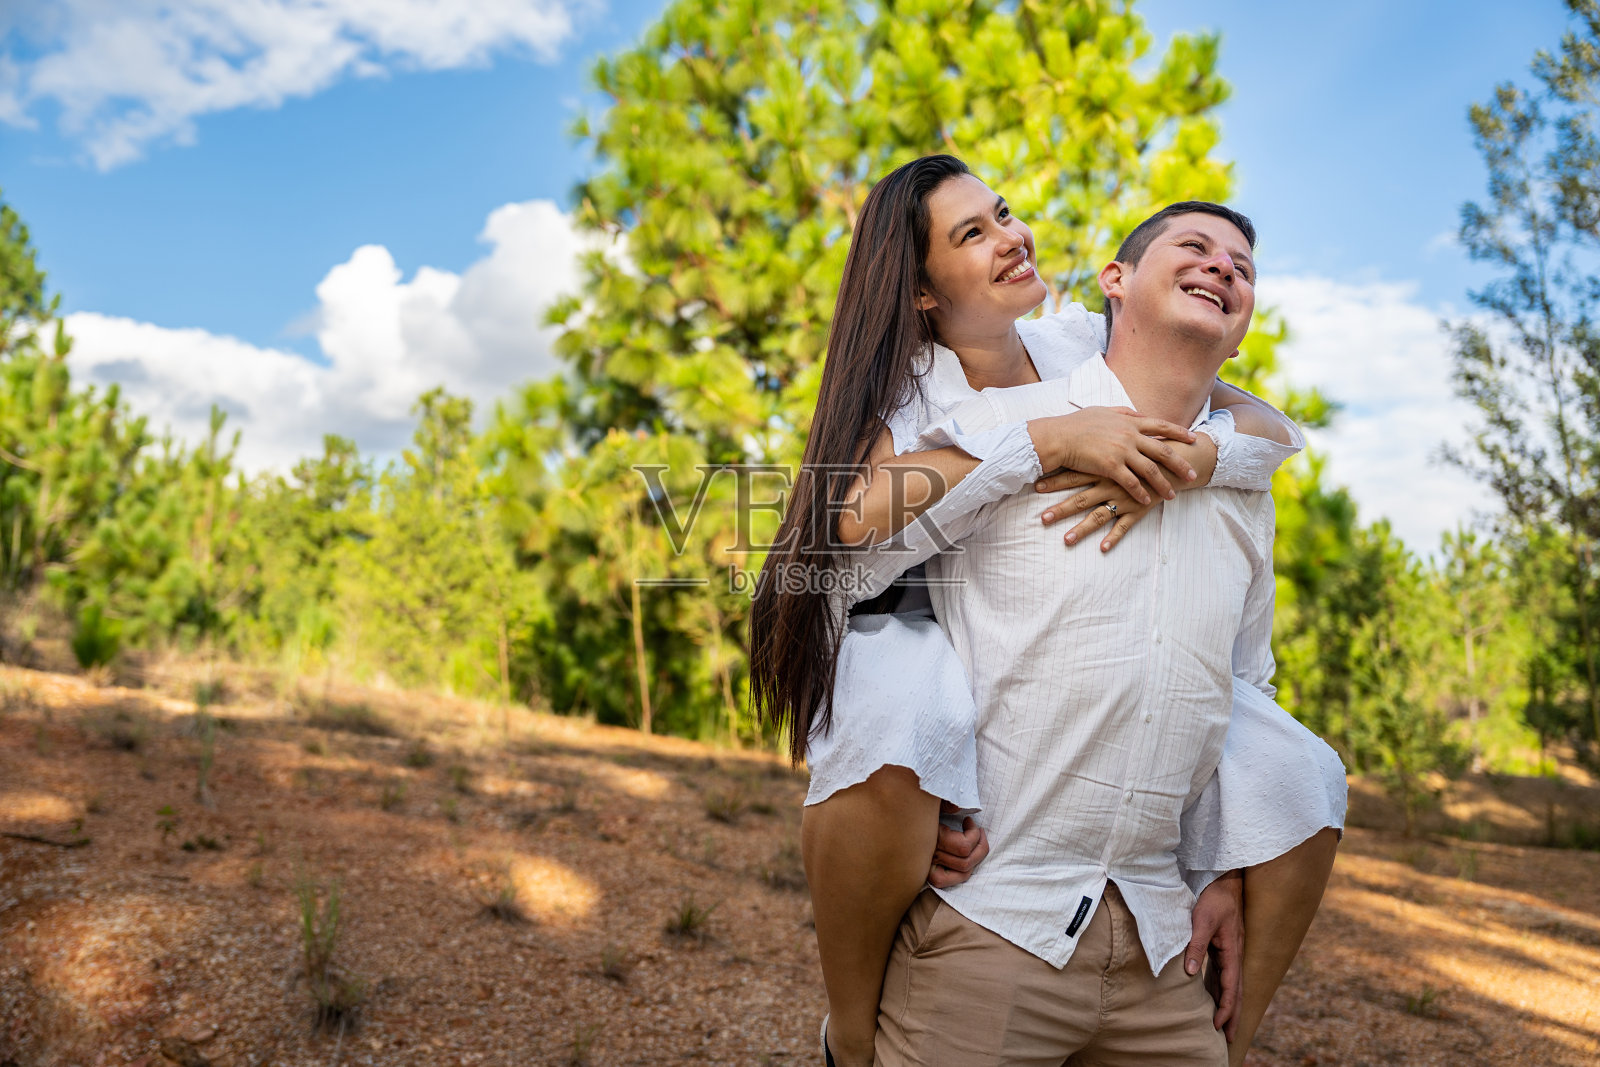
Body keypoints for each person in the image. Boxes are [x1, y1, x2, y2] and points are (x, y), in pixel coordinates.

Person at [748, 156, 1344, 1066]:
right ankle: (854, 1029)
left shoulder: (1077, 346)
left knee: (1302, 768)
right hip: (894, 601)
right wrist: (1051, 439)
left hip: (1132, 885)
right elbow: (851, 518)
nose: (1011, 236)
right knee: (904, 717)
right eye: (972, 233)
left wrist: (1190, 462)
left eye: (1005, 214)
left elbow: (1256, 423)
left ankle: (1231, 1040)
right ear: (917, 290)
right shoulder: (926, 396)